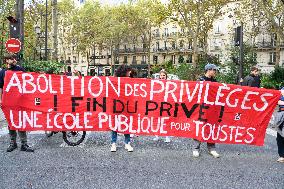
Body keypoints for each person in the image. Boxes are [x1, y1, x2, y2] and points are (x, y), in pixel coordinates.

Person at [0, 54, 34, 152]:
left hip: (20, 101)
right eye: (10, 58)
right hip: (8, 102)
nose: (13, 60)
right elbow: (1, 87)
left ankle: (24, 144)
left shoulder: (20, 70)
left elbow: (27, 83)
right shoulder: (3, 72)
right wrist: (1, 100)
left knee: (21, 121)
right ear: (6, 60)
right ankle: (13, 143)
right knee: (11, 122)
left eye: (14, 58)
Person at [192, 63, 220, 158]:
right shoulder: (200, 80)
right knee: (200, 126)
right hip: (202, 108)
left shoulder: (215, 81)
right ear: (209, 70)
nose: (215, 72)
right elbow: (195, 92)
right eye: (214, 70)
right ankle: (196, 148)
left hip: (212, 109)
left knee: (212, 127)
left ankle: (211, 148)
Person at [110, 65, 133, 152]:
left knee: (127, 123)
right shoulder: (115, 80)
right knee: (115, 124)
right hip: (116, 105)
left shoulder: (130, 80)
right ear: (125, 72)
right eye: (128, 71)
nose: (130, 73)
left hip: (127, 105)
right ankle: (113, 143)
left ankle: (127, 143)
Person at [153, 69, 171, 143]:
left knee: (166, 120)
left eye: (164, 75)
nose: (162, 76)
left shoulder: (170, 83)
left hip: (166, 104)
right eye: (161, 75)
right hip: (158, 104)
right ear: (159, 76)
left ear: (166, 76)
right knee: (157, 120)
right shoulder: (156, 83)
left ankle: (167, 136)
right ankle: (156, 135)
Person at [275, 88, 284, 163]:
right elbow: (275, 100)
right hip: (281, 115)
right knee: (280, 136)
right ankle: (282, 155)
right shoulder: (281, 90)